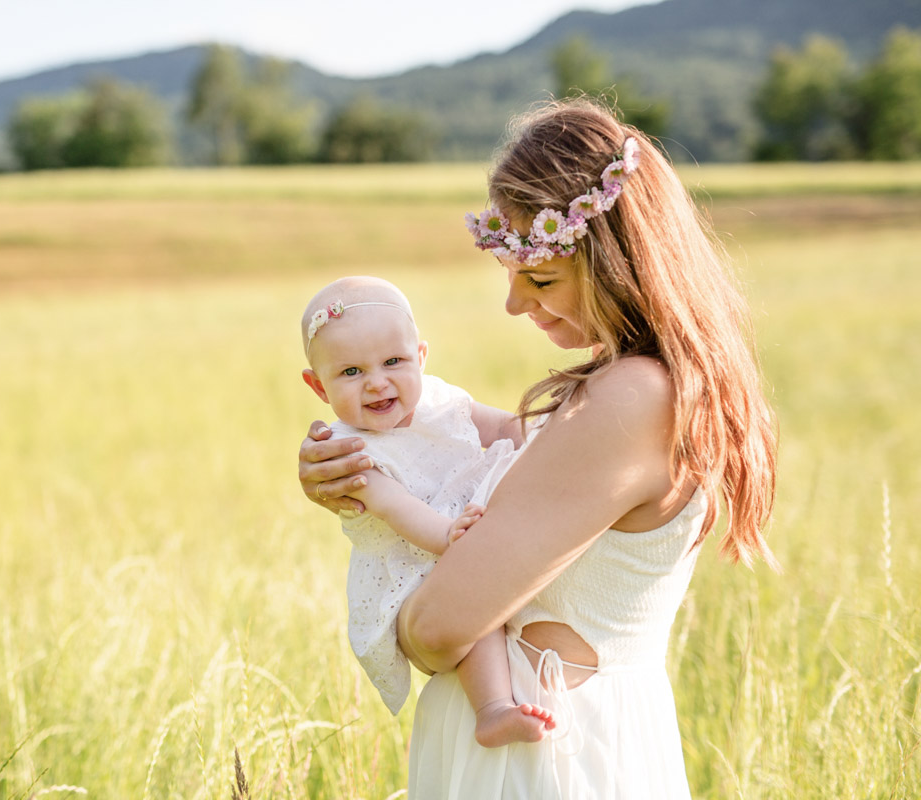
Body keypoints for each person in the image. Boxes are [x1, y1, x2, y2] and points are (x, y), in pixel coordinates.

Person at [297, 99, 778, 798]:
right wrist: (357, 468)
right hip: (576, 731)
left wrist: (392, 598)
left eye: (542, 278)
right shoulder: (643, 390)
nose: (515, 303)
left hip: (551, 753)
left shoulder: (634, 397)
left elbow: (439, 630)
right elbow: (495, 452)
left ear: (616, 260)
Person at [300, 275, 555, 747]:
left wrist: (550, 433)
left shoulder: (440, 400)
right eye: (350, 373)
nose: (377, 383)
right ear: (319, 386)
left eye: (392, 362)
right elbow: (397, 509)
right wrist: (450, 537)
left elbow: (500, 426)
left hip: (462, 531)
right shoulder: (348, 450)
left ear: (420, 357)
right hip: (418, 562)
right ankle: (493, 709)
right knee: (475, 615)